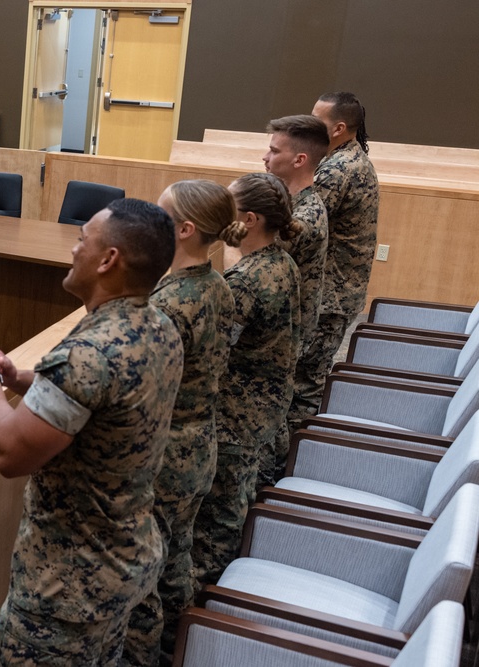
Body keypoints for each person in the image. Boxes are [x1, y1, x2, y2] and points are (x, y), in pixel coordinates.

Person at [0, 198, 183, 666]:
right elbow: (98, 399)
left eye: (81, 240)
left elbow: (8, 452)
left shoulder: (90, 353)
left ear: (109, 260)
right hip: (124, 559)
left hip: (69, 586)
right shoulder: (157, 326)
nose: (73, 250)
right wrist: (14, 374)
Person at [122, 181, 243, 667]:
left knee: (142, 573)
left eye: (160, 211)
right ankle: (178, 644)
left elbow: (139, 391)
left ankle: (142, 657)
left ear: (184, 229)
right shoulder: (216, 285)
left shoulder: (169, 304)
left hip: (166, 453)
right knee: (175, 553)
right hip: (198, 445)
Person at [191, 173, 301, 587]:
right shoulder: (281, 261)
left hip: (237, 414)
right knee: (236, 499)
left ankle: (205, 605)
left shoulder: (247, 282)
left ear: (250, 219)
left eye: (229, 206)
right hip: (263, 406)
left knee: (219, 520)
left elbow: (210, 354)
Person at [298, 92, 379, 423]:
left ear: (339, 128)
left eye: (318, 120)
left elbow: (305, 226)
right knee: (307, 377)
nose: (309, 124)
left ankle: (286, 464)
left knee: (304, 382)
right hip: (335, 292)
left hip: (328, 296)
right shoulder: (349, 158)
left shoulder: (339, 168)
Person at [262, 114, 331, 484]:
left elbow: (252, 260)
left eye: (274, 151)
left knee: (268, 419)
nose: (265, 157)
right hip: (281, 328)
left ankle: (268, 492)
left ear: (299, 159)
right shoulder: (294, 202)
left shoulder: (303, 216)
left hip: (282, 336)